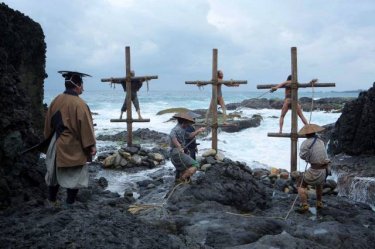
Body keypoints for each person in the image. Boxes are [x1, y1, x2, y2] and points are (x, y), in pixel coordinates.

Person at [44, 71, 97, 207]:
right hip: (72, 146)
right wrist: (91, 146)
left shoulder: (56, 100)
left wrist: (49, 142)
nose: (83, 89)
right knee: (74, 176)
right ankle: (69, 203)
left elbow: (48, 124)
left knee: (53, 175)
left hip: (55, 144)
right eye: (82, 85)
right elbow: (85, 127)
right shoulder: (79, 104)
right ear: (77, 86)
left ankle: (52, 201)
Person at [296, 124, 330, 213]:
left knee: (300, 184)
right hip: (325, 171)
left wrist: (308, 157)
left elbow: (302, 156)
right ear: (314, 132)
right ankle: (319, 202)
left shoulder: (305, 143)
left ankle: (304, 205)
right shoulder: (321, 141)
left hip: (315, 170)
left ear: (306, 134)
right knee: (319, 184)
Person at [169, 112, 205, 183]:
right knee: (195, 164)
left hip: (178, 152)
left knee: (183, 167)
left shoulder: (182, 129)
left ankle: (182, 180)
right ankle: (182, 179)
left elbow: (189, 136)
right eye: (188, 123)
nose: (189, 125)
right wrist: (179, 147)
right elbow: (172, 136)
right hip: (176, 152)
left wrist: (198, 131)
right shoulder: (176, 129)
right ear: (184, 122)